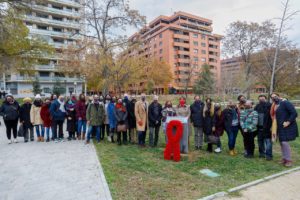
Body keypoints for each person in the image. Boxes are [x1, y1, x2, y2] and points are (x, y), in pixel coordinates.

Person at [270, 93, 298, 167]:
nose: (274, 98)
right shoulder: (275, 105)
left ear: (279, 96)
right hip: (279, 126)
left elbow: (294, 113)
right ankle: (284, 158)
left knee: (285, 143)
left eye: (275, 96)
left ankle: (288, 160)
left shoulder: (285, 102)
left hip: (286, 125)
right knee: (282, 142)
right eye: (272, 97)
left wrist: (288, 122)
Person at [254, 95, 273, 160]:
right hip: (259, 128)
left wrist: (272, 126)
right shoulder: (257, 106)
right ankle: (261, 153)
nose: (261, 100)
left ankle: (269, 155)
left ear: (265, 99)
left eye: (263, 98)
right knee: (260, 141)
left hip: (267, 127)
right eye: (260, 99)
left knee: (268, 142)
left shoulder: (270, 106)